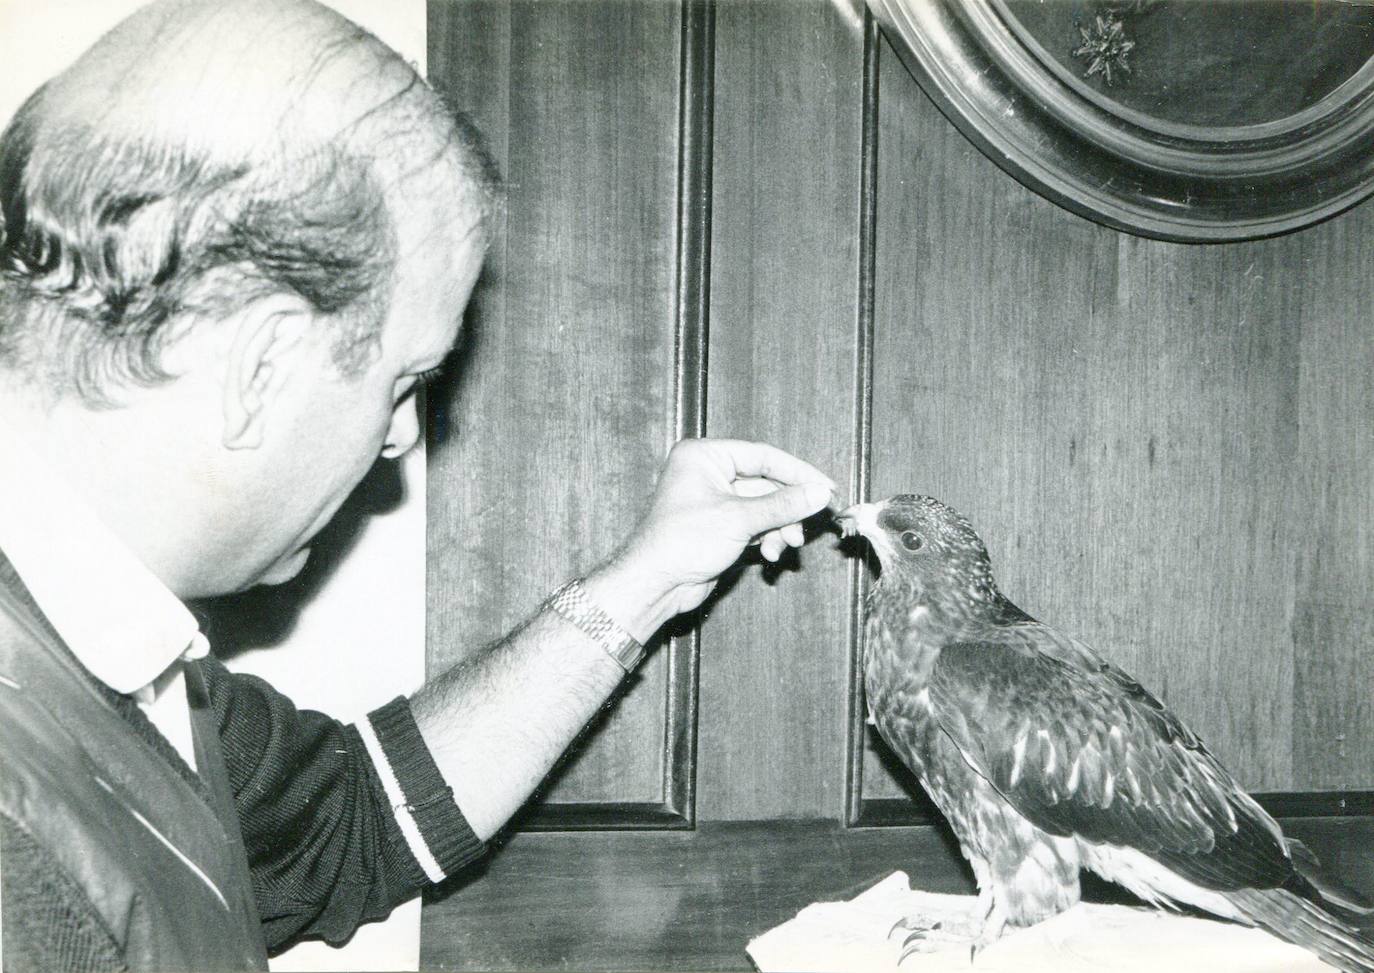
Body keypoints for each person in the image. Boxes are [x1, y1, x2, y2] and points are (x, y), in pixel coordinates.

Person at [0, 1, 837, 969]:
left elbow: (348, 819)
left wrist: (645, 582)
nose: (401, 437)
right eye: (402, 383)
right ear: (262, 361)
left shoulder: (104, 643)